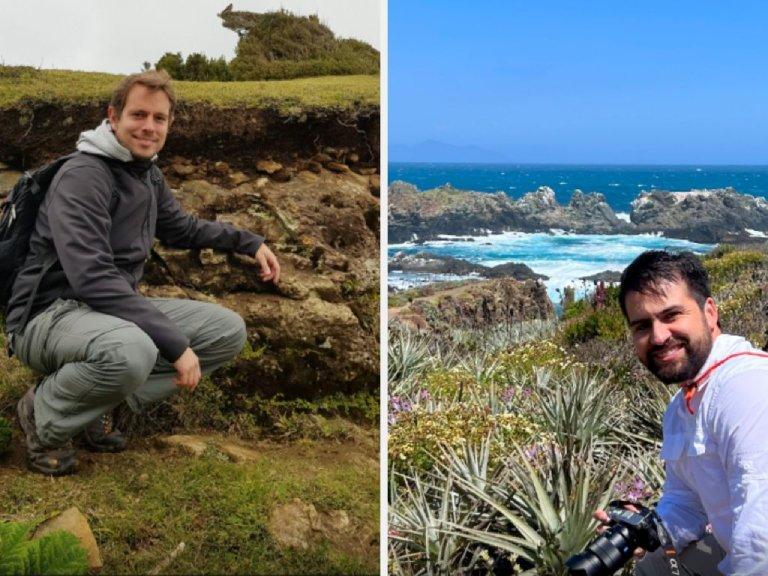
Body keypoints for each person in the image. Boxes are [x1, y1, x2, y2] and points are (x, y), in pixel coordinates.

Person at [6, 70, 280, 476]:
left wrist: (247, 241)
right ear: (113, 117)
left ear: (169, 124)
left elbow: (181, 228)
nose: (149, 127)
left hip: (107, 314)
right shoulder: (84, 176)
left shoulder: (146, 173)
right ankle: (43, 416)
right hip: (48, 315)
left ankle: (94, 405)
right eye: (138, 115)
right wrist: (175, 345)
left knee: (227, 331)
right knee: (135, 348)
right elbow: (91, 276)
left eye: (159, 118)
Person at [594, 250, 768, 575]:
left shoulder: (747, 388)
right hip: (734, 548)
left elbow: (762, 541)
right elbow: (687, 499)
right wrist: (647, 529)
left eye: (672, 315)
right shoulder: (683, 405)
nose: (659, 336)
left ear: (710, 312)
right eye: (642, 326)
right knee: (651, 565)